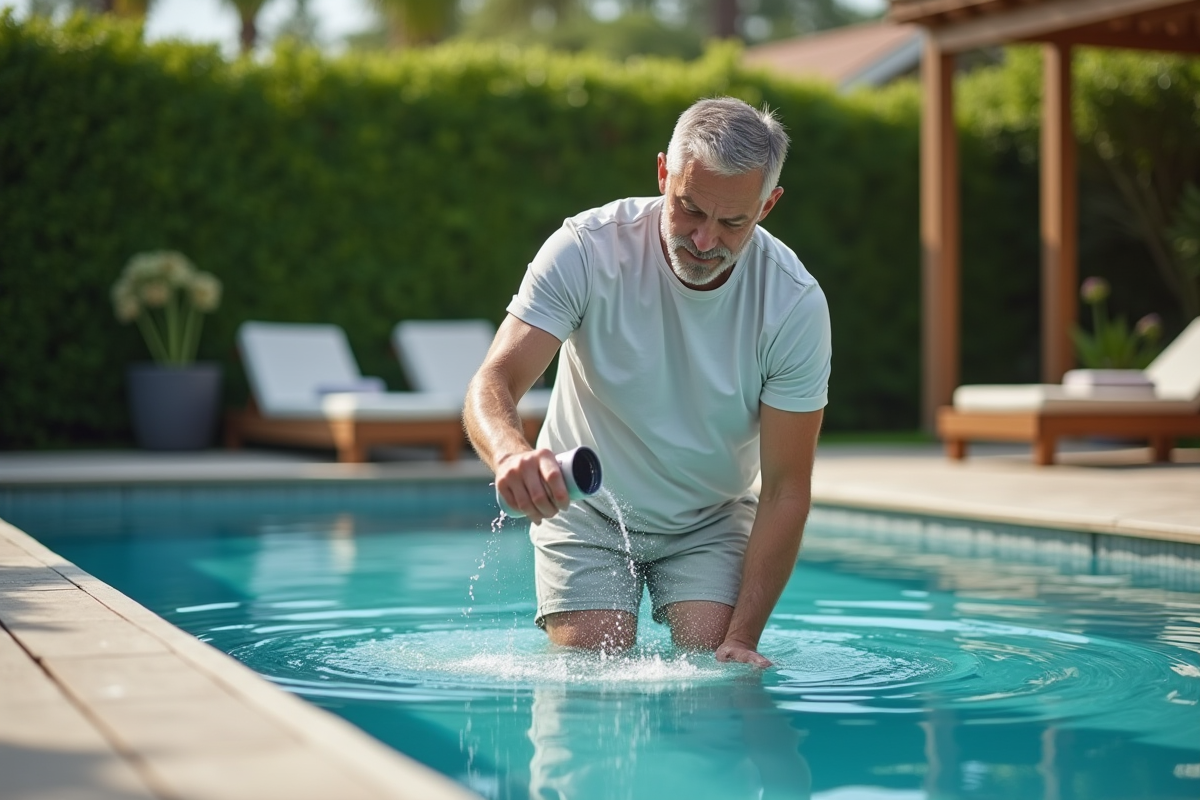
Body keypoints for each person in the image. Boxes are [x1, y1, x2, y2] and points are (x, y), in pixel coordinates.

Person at [464, 96, 831, 667]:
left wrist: (744, 638)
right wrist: (510, 452)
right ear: (663, 173)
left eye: (732, 221)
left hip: (709, 518)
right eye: (688, 209)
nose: (704, 241)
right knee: (592, 667)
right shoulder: (586, 248)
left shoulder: (793, 305)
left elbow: (787, 489)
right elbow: (495, 377)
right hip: (583, 506)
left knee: (713, 668)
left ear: (767, 205)